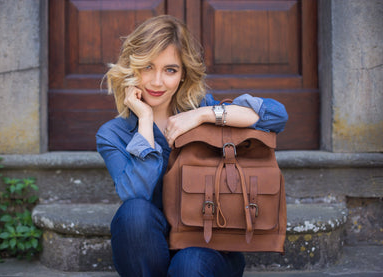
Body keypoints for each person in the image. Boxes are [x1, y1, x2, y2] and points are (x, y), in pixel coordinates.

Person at [96, 15, 288, 277]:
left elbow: (276, 116)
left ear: (184, 73)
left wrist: (203, 115)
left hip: (206, 246)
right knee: (133, 213)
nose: (157, 82)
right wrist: (145, 120)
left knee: (189, 264)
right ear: (132, 69)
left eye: (170, 70)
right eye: (148, 67)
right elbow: (137, 194)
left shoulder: (202, 108)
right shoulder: (113, 135)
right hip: (149, 252)